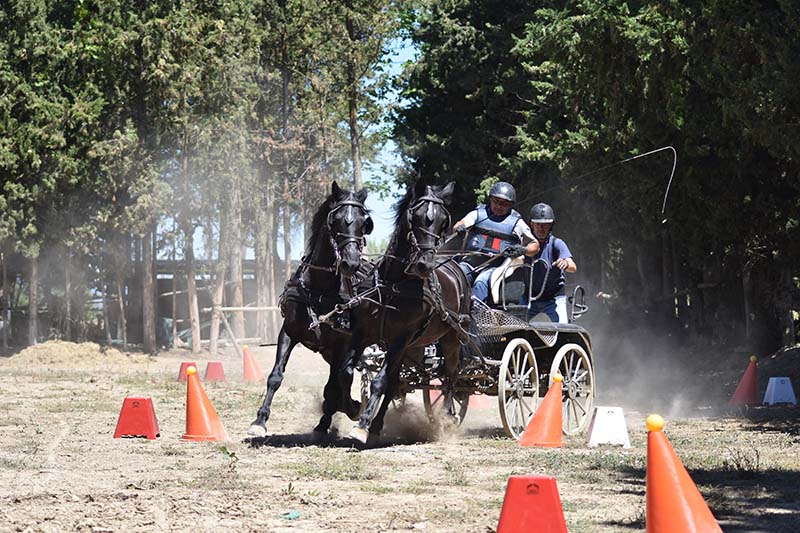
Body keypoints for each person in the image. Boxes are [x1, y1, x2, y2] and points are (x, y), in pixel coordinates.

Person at [452, 182, 539, 302]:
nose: (499, 206)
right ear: (491, 199)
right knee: (456, 275)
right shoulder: (478, 214)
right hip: (470, 263)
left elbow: (535, 245)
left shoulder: (517, 223)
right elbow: (461, 223)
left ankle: (477, 314)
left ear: (510, 205)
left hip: (496, 267)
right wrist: (459, 227)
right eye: (496, 201)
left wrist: (523, 250)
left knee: (481, 282)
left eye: (504, 204)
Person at [525, 202, 576, 323]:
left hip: (554, 297)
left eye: (545, 225)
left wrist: (565, 263)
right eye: (538, 224)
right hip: (529, 296)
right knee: (514, 326)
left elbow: (573, 267)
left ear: (551, 226)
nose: (541, 229)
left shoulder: (556, 243)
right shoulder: (524, 244)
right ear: (531, 224)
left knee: (563, 328)